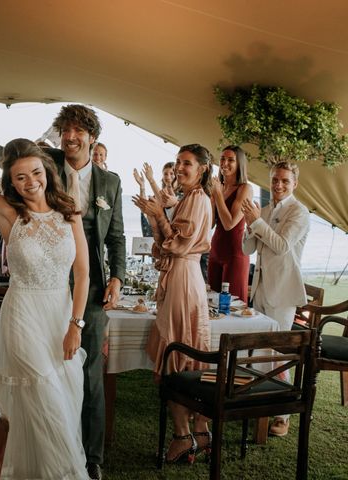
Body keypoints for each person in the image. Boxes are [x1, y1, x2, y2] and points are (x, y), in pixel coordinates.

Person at [0, 105, 126, 480]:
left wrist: (75, 325)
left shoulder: (70, 212)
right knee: (46, 397)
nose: (30, 181)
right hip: (23, 318)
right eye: (20, 177)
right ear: (11, 182)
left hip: (63, 316)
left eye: (35, 173)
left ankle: (32, 468)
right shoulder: (8, 214)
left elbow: (83, 273)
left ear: (46, 172)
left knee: (64, 397)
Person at [133, 144, 212, 464]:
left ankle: (183, 436)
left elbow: (177, 246)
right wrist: (156, 217)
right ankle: (201, 432)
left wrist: (156, 215)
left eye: (187, 164)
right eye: (178, 162)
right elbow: (168, 242)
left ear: (203, 169)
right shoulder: (190, 199)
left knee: (175, 357)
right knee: (186, 355)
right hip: (184, 277)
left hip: (183, 281)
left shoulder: (197, 200)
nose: (180, 168)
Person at [241, 161, 310, 437]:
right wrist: (248, 225)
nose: (278, 185)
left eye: (284, 180)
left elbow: (281, 247)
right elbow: (248, 248)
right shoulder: (265, 210)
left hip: (282, 292)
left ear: (295, 183)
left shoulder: (300, 212)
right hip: (259, 288)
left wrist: (257, 221)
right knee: (258, 350)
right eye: (275, 180)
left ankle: (283, 414)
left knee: (279, 353)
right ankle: (259, 402)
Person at [208, 146, 252, 303]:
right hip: (215, 250)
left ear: (239, 164)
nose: (224, 163)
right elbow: (211, 224)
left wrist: (218, 195)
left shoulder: (245, 188)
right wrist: (213, 198)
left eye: (230, 160)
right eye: (222, 159)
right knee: (212, 302)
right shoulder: (219, 187)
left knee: (234, 305)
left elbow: (229, 224)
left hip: (235, 254)